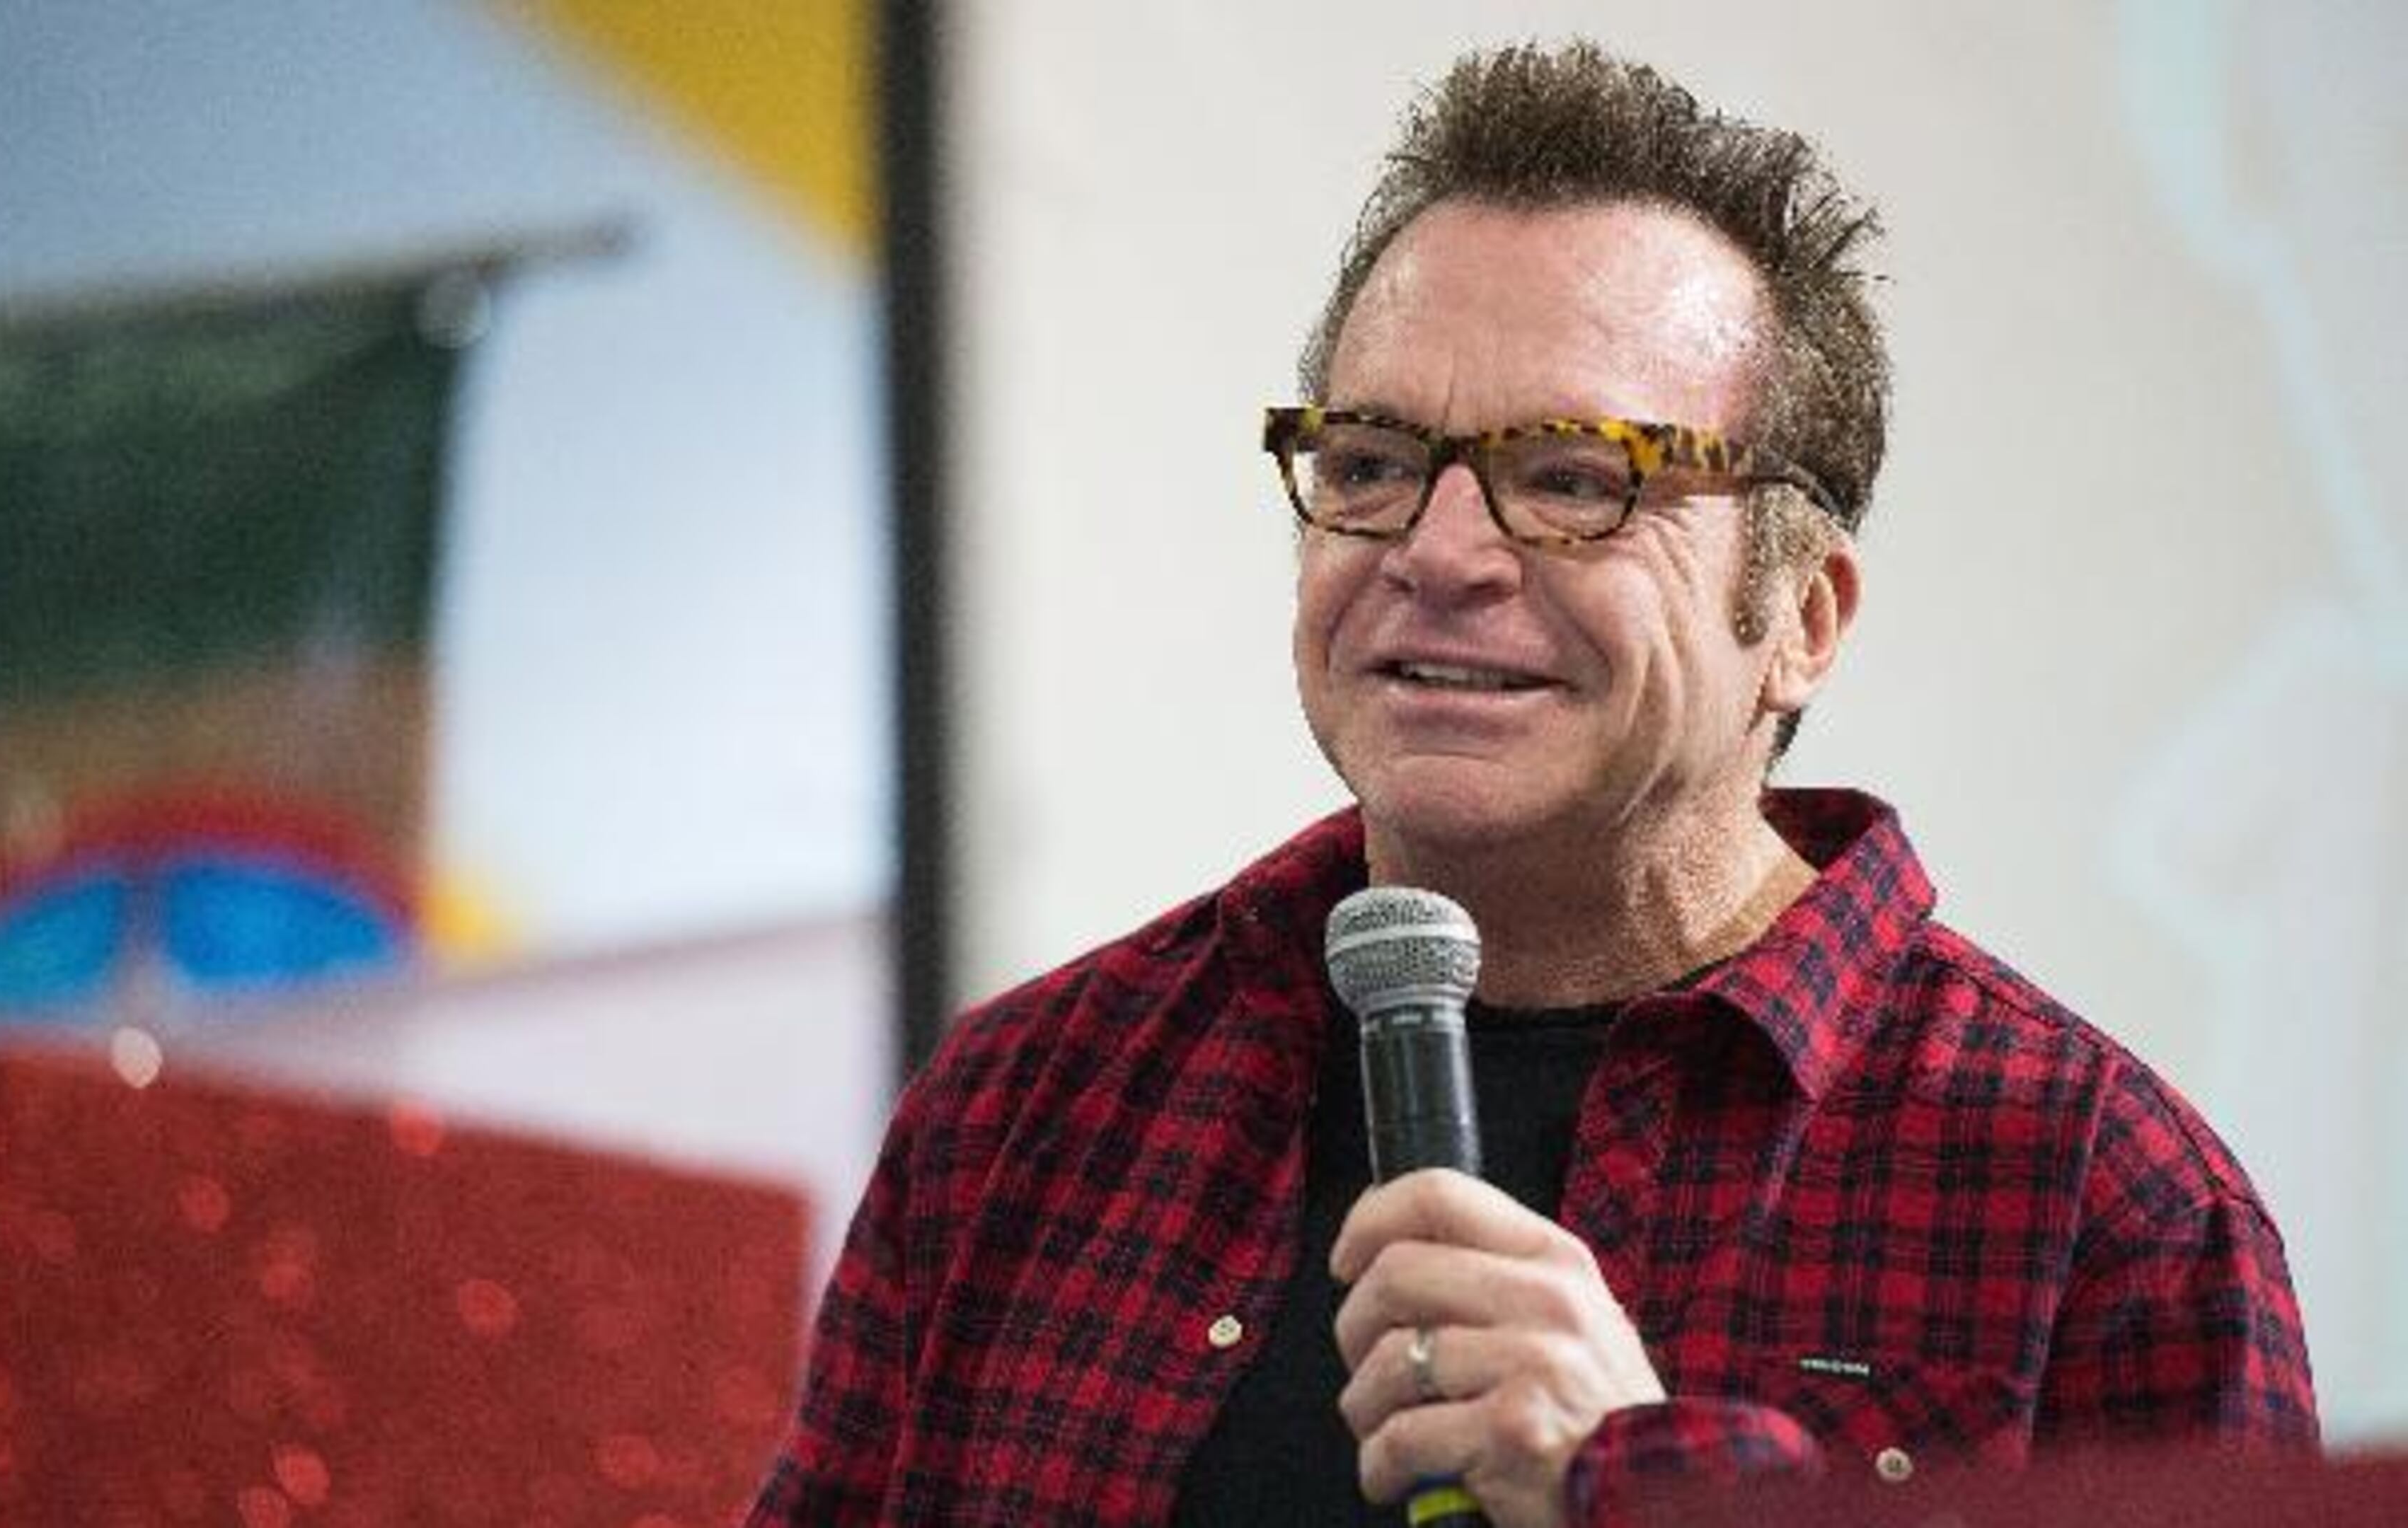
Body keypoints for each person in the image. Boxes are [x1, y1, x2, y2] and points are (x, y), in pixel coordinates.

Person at [748, 38, 2316, 1527]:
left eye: (1574, 480)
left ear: (1802, 617)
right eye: (1370, 464)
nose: (1438, 555)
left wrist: (1651, 1487)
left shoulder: (2103, 1204)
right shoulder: (1027, 1108)